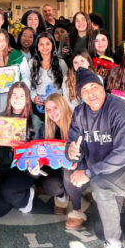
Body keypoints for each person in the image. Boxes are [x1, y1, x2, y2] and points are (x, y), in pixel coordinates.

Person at [65, 67, 125, 248]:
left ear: (102, 87)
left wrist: (88, 172)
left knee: (100, 186)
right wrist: (71, 151)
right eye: (84, 90)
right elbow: (72, 142)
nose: (90, 94)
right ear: (80, 95)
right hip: (105, 169)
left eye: (94, 87)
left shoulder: (118, 108)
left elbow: (123, 154)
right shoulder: (80, 112)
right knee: (100, 229)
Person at [0, 83, 64, 218]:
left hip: (26, 170)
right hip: (4, 167)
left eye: (22, 96)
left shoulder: (35, 122)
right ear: (9, 97)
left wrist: (29, 159)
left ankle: (26, 199)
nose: (17, 99)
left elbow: (41, 153)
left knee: (8, 191)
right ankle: (17, 194)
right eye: (14, 95)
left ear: (27, 99)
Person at [40, 93, 88, 229]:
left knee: (69, 168)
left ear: (63, 106)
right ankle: (63, 195)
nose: (51, 113)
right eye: (48, 109)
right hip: (58, 170)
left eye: (55, 108)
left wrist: (71, 155)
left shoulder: (78, 122)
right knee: (49, 185)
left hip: (80, 171)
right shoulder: (48, 128)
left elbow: (88, 152)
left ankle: (77, 209)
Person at [0, 29, 31, 114]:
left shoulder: (18, 56)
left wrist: (21, 91)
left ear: (7, 41)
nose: (0, 42)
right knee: (1, 123)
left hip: (17, 99)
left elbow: (26, 76)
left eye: (3, 39)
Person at [30, 32, 68, 117]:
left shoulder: (61, 63)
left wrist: (60, 100)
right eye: (41, 44)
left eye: (47, 44)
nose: (44, 47)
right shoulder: (32, 63)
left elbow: (66, 86)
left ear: (53, 46)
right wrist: (34, 97)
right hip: (39, 107)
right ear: (37, 47)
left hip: (57, 106)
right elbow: (30, 85)